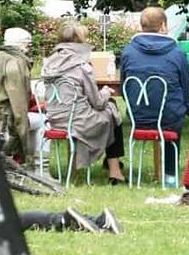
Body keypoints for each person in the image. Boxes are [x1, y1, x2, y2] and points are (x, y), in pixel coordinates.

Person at [120, 6, 189, 186]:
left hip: (137, 115)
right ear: (163, 26)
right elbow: (186, 89)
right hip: (169, 117)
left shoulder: (128, 52)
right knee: (176, 109)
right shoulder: (177, 53)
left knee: (175, 104)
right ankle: (170, 176)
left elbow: (124, 86)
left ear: (141, 25)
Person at [41, 21, 127, 183]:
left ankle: (97, 166)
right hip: (79, 121)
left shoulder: (49, 63)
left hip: (53, 119)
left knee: (109, 110)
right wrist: (106, 92)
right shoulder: (82, 66)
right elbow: (97, 103)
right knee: (111, 110)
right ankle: (115, 171)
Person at [0, 26, 40, 162]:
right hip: (2, 129)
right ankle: (39, 165)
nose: (29, 50)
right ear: (22, 46)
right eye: (29, 45)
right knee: (42, 121)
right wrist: (25, 148)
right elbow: (20, 109)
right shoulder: (15, 63)